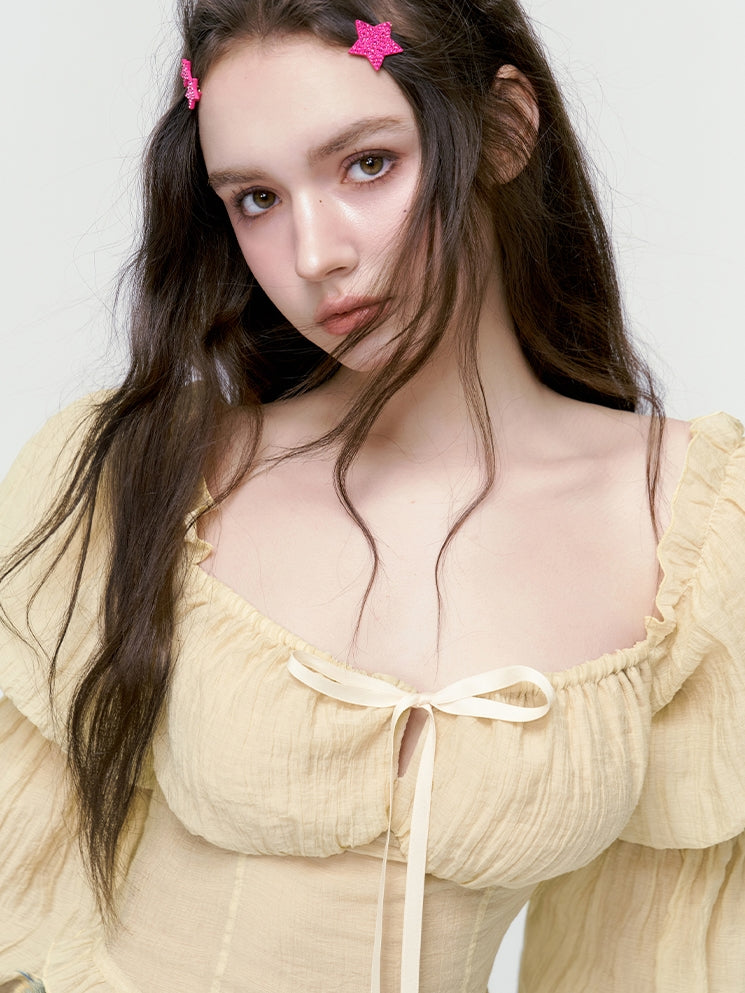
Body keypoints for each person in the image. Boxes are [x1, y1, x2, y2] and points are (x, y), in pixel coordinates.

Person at [0, 0, 743, 991]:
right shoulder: (142, 472)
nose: (315, 256)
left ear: (503, 130)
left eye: (365, 164)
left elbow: (656, 955)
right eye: (256, 198)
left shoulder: (687, 526)